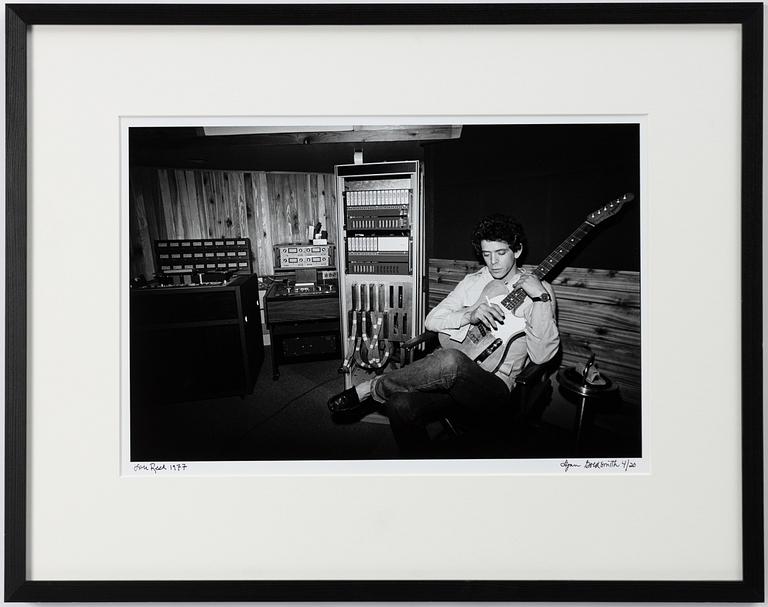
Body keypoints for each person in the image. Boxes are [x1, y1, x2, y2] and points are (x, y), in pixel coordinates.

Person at [327, 214, 560, 455]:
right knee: (399, 404)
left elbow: (543, 356)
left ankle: (371, 387)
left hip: (495, 385)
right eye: (486, 254)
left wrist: (539, 297)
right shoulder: (473, 282)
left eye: (501, 253)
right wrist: (468, 315)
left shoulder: (540, 291)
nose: (493, 262)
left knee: (450, 359)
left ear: (518, 250)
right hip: (449, 376)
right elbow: (432, 319)